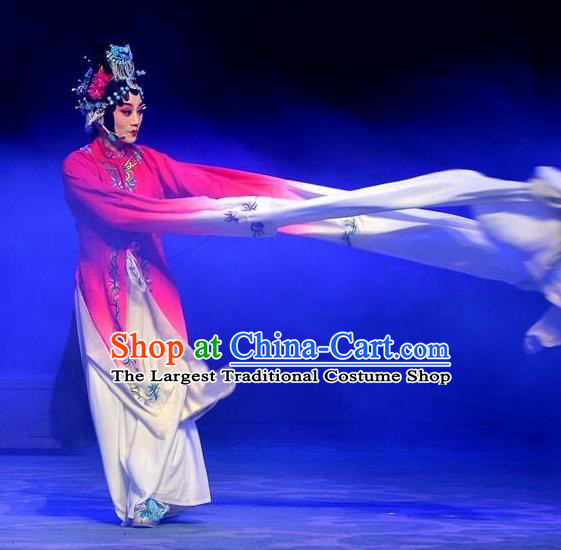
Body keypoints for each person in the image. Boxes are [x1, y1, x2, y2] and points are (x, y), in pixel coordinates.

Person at [63, 43, 561, 527]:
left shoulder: (152, 162)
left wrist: (275, 205)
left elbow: (208, 182)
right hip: (105, 297)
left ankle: (160, 491)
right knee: (122, 390)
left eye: (139, 110)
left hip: (153, 290)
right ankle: (135, 494)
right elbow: (121, 212)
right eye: (126, 110)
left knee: (167, 384)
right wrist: (215, 217)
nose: (135, 119)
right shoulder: (78, 168)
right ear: (101, 112)